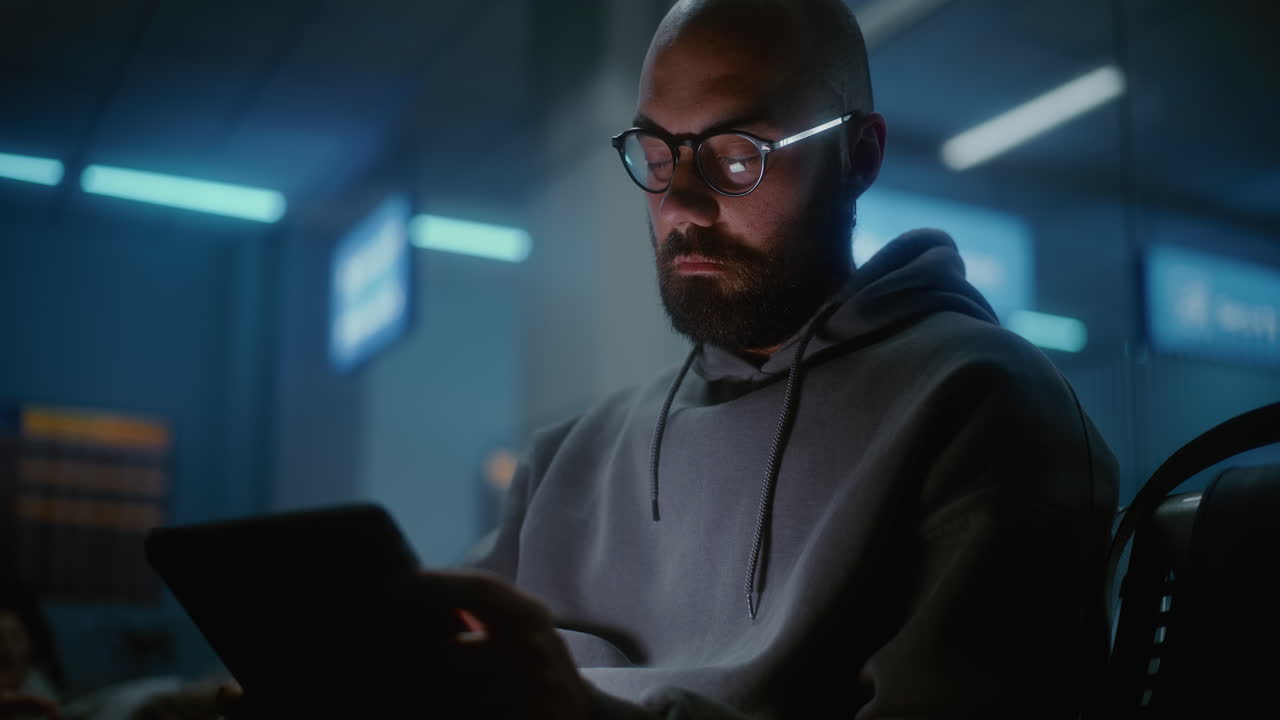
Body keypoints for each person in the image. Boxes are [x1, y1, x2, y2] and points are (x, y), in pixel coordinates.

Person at [232, 0, 1120, 717]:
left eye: (736, 156)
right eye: (656, 153)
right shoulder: (565, 461)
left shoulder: (986, 407)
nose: (682, 203)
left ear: (859, 156)